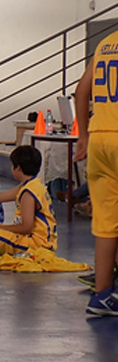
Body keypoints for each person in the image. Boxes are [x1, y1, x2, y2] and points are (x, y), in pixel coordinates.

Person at [74, 31, 118, 316]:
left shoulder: (105, 43)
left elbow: (80, 91)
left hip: (100, 138)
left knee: (106, 224)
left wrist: (83, 136)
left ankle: (102, 295)